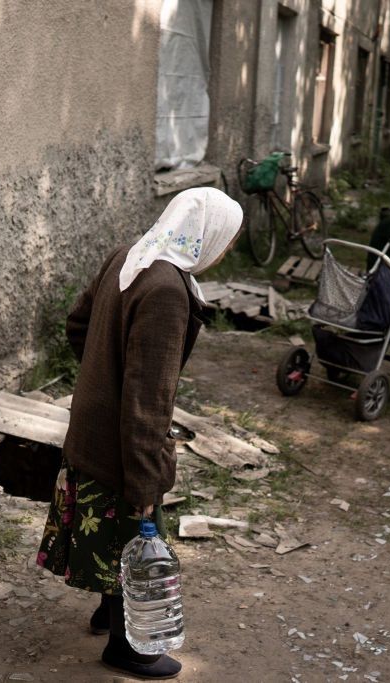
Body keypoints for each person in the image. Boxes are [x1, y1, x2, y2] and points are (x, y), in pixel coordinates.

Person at [36, 187, 243, 680]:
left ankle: (111, 609)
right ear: (205, 236)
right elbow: (148, 403)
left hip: (93, 428)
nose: (227, 249)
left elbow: (77, 323)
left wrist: (97, 380)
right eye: (227, 239)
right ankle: (127, 647)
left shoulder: (131, 256)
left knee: (112, 534)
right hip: (123, 441)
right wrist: (149, 482)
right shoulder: (167, 292)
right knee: (135, 526)